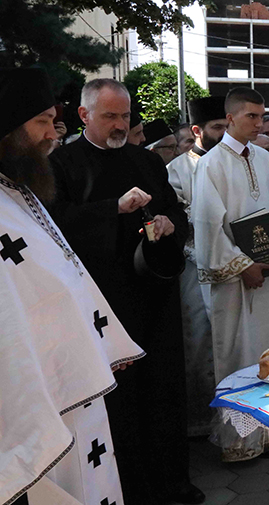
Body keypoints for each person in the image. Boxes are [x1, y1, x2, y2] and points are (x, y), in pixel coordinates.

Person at [47, 78, 200, 504]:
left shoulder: (147, 161)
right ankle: (129, 489)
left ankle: (173, 482)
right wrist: (113, 209)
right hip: (104, 301)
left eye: (125, 116)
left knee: (164, 387)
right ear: (84, 116)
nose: (119, 125)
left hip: (155, 294)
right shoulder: (62, 165)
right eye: (110, 116)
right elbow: (57, 225)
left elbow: (173, 209)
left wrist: (170, 224)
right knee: (122, 399)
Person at [0, 66, 144, 505]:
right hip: (41, 391)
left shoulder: (18, 191)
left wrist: (99, 343)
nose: (51, 134)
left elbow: (66, 273)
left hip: (73, 376)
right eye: (42, 122)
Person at [191, 87, 269, 461]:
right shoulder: (211, 164)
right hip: (236, 283)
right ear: (231, 117)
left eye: (262, 115)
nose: (259, 123)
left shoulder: (266, 160)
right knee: (240, 355)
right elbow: (207, 225)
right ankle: (242, 441)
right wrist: (243, 265)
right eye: (251, 116)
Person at [166, 95, 227, 437]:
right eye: (217, 127)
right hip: (194, 269)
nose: (223, 132)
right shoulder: (176, 170)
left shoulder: (235, 162)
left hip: (235, 270)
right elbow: (179, 220)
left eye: (225, 126)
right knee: (200, 340)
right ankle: (202, 422)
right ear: (197, 130)